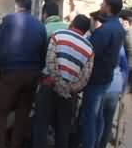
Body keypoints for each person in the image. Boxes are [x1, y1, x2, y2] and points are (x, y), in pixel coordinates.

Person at [32, 14, 94, 148]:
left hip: (49, 86)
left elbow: (50, 61)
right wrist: (69, 88)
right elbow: (84, 78)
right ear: (85, 30)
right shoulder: (89, 48)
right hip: (69, 95)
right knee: (63, 129)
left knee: (41, 124)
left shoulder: (58, 35)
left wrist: (58, 82)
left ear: (72, 23)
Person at [0, 0, 47, 148]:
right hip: (32, 75)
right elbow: (43, 52)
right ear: (30, 8)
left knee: (2, 111)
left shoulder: (8, 20)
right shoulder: (39, 25)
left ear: (16, 6)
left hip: (11, 72)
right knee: (22, 114)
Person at [80, 0, 126, 148]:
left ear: (109, 7)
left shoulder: (106, 30)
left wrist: (92, 32)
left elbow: (89, 51)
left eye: (102, 3)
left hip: (96, 79)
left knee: (90, 119)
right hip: (106, 78)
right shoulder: (118, 27)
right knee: (98, 117)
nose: (100, 5)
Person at [97, 46, 128, 148]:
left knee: (97, 121)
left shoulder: (97, 40)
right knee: (108, 121)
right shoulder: (120, 46)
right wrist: (122, 87)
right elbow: (125, 68)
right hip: (115, 87)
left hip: (100, 87)